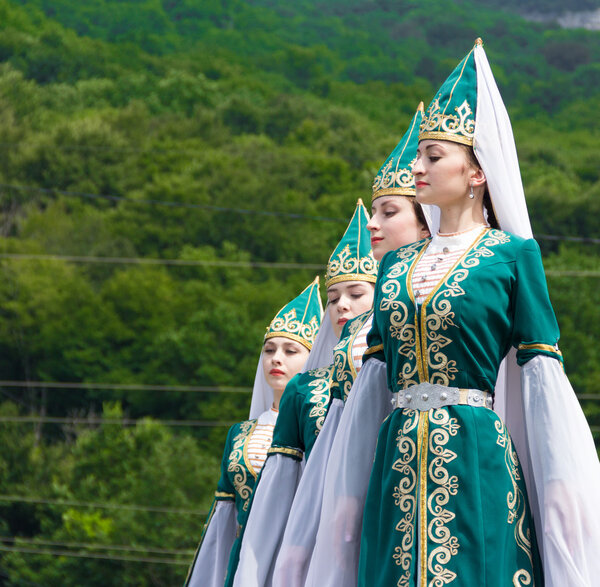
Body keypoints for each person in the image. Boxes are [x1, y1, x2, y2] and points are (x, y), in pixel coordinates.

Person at [313, 38, 600, 587]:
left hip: (476, 454)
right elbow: (373, 383)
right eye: (419, 155)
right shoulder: (395, 264)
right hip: (394, 460)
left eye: (433, 156)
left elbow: (541, 378)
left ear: (476, 173)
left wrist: (563, 484)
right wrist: (347, 493)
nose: (417, 167)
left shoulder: (513, 256)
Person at [274, 103, 432, 587]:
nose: (342, 306)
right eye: (334, 297)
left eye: (390, 211)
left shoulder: (479, 279)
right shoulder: (325, 374)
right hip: (372, 481)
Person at [230, 200, 379, 587]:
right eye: (333, 298)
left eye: (356, 294)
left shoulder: (403, 373)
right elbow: (283, 491)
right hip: (318, 531)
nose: (342, 305)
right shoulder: (307, 389)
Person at [185, 277, 322, 587]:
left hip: (300, 566)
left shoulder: (321, 426)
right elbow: (223, 522)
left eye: (291, 351)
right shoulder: (240, 434)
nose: (276, 358)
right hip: (245, 567)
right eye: (269, 349)